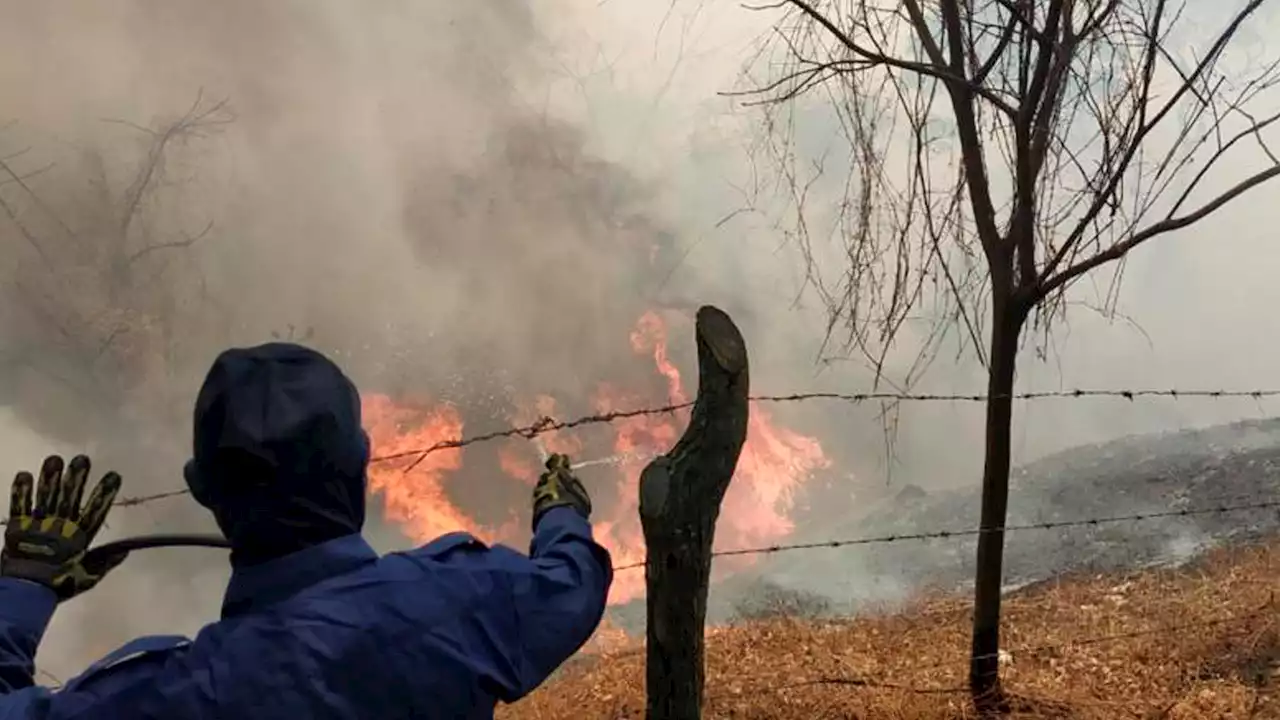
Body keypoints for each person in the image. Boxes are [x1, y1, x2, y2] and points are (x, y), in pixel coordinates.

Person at [0, 342, 612, 718]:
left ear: (204, 490)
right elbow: (570, 583)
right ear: (361, 468)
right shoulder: (457, 602)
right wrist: (560, 512)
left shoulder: (171, 694)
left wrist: (24, 589)